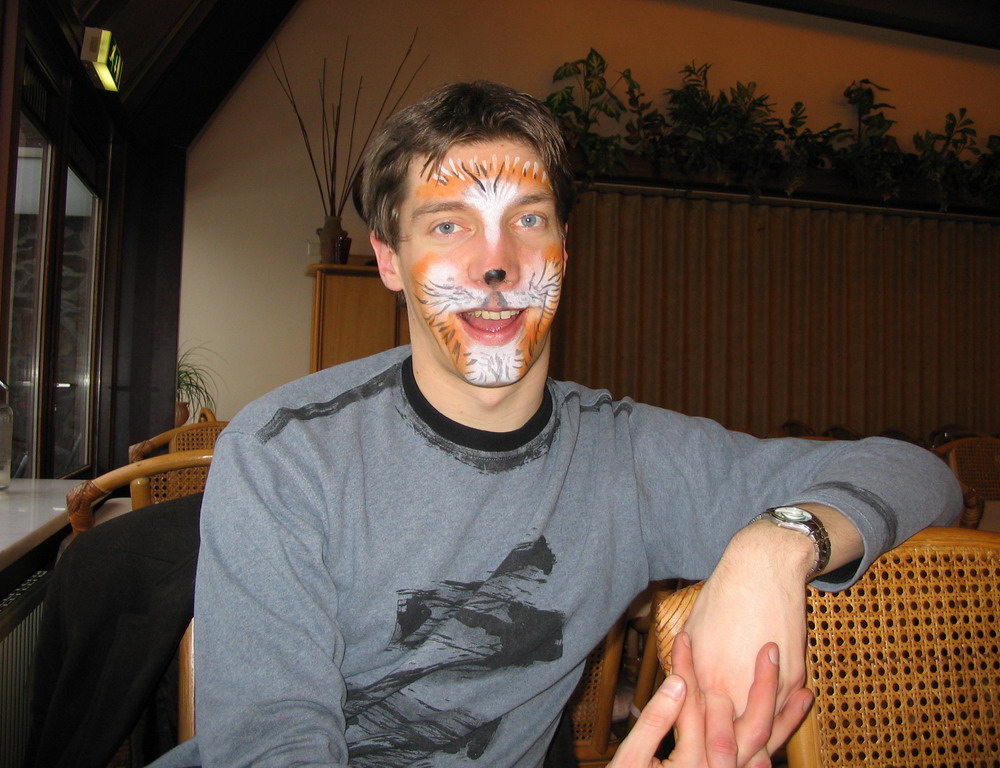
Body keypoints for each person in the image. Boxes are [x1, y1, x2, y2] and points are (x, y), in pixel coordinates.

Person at [151, 80, 960, 768]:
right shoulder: (287, 453)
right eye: (447, 224)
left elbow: (920, 473)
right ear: (388, 261)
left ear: (565, 249)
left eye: (528, 220)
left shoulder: (624, 457)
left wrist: (774, 546)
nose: (496, 264)